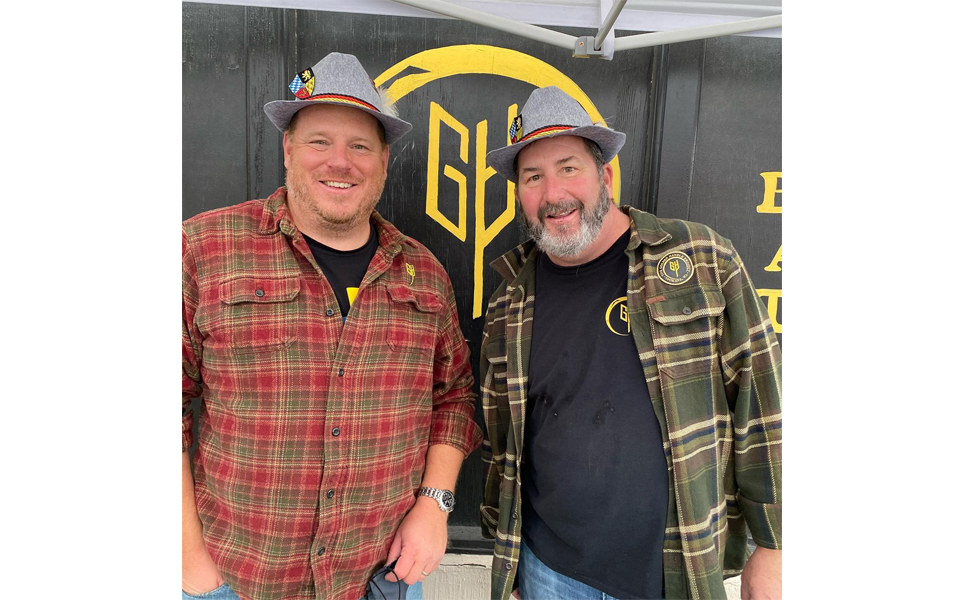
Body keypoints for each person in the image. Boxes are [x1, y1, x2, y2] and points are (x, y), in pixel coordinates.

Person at [182, 52, 482, 600]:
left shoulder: (424, 273)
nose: (339, 162)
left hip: (381, 578)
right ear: (288, 149)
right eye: (319, 141)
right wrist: (189, 560)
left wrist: (435, 504)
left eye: (360, 146)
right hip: (237, 580)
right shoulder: (205, 249)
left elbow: (454, 397)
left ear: (384, 160)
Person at [478, 86, 782, 600]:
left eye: (569, 168)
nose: (553, 193)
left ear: (606, 177)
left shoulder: (703, 259)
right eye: (533, 177)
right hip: (547, 571)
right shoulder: (509, 299)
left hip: (676, 570)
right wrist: (510, 564)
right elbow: (501, 439)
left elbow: (764, 402)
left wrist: (775, 544)